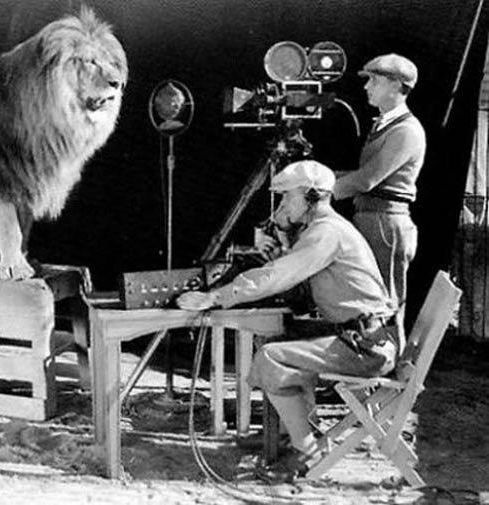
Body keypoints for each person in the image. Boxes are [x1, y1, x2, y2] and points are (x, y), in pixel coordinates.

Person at [177, 160, 400, 483]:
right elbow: (301, 284)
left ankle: (307, 450)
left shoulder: (326, 233)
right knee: (274, 344)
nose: (281, 207)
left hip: (365, 349)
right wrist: (283, 243)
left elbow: (279, 276)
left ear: (311, 198)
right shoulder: (322, 230)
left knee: (271, 358)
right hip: (363, 338)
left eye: (286, 199)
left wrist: (216, 297)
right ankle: (291, 435)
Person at [332, 53, 426, 329]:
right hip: (371, 218)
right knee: (370, 298)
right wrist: (323, 177)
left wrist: (321, 190)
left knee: (387, 302)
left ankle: (392, 364)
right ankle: (374, 359)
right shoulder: (383, 125)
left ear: (396, 85)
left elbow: (367, 180)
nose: (366, 87)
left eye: (374, 80)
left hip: (386, 224)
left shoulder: (407, 131)